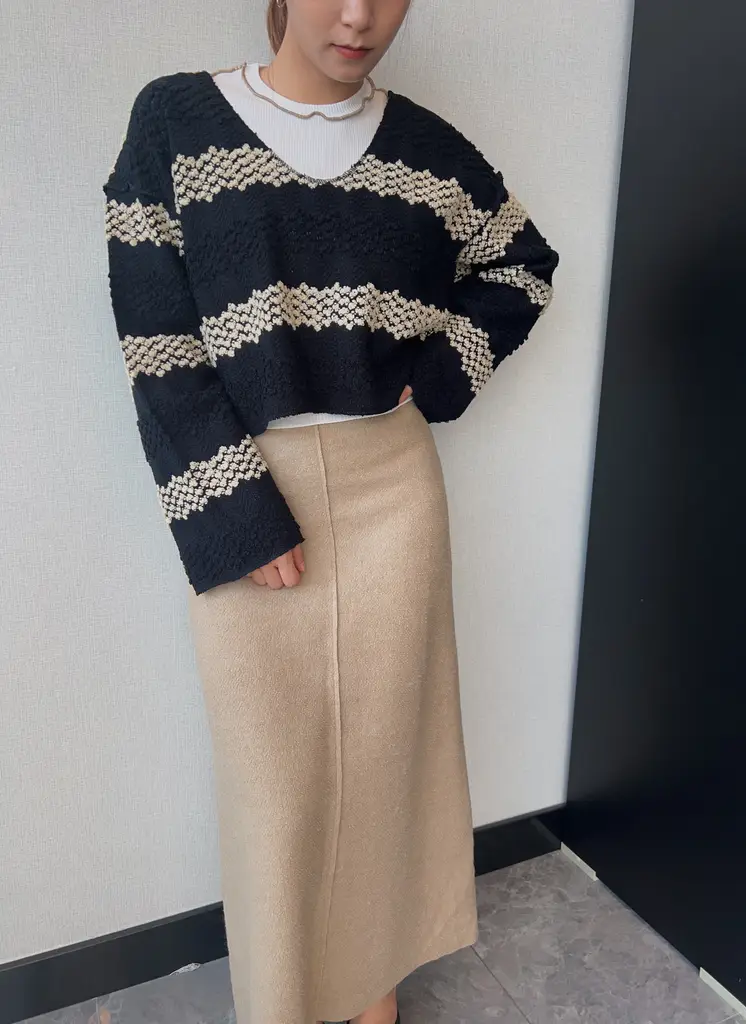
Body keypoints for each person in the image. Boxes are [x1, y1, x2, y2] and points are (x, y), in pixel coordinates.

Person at [100, 1, 559, 1022]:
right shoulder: (174, 123)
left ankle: (373, 990)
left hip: (392, 484)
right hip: (248, 481)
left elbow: (523, 263)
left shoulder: (431, 154)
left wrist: (441, 374)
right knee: (275, 787)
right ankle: (283, 1002)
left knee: (390, 760)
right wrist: (234, 509)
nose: (359, 15)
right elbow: (157, 338)